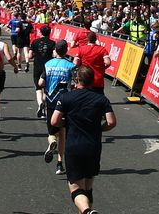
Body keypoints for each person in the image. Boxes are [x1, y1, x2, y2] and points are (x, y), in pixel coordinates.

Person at [51, 65, 116, 214]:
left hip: (74, 145)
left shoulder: (66, 97)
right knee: (88, 186)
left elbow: (54, 121)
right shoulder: (101, 99)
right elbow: (111, 122)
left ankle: (87, 211)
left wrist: (66, 123)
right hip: (93, 145)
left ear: (76, 80)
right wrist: (99, 128)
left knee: (75, 188)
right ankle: (88, 211)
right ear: (92, 81)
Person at [41, 40, 76, 176]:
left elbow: (41, 81)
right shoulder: (71, 65)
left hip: (50, 100)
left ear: (55, 50)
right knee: (63, 133)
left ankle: (52, 143)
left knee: (51, 132)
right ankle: (60, 164)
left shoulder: (48, 64)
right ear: (66, 50)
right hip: (65, 100)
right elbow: (74, 84)